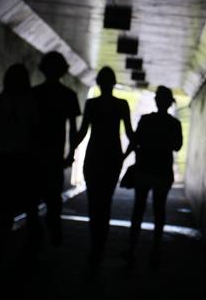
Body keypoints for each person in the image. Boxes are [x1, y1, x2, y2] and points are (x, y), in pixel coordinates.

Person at [0, 63, 39, 270]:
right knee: (9, 205)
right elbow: (35, 135)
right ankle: (1, 245)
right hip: (19, 161)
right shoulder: (31, 104)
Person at [70, 66, 134, 264]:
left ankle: (95, 242)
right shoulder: (122, 105)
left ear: (98, 83)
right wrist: (126, 155)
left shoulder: (91, 105)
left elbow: (81, 134)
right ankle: (101, 241)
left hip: (94, 156)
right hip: (113, 157)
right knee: (105, 201)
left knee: (93, 201)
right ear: (114, 83)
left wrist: (69, 152)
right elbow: (131, 135)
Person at [122, 85, 183, 267]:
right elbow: (177, 146)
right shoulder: (174, 124)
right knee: (159, 210)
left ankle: (132, 248)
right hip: (163, 171)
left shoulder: (146, 120)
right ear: (169, 103)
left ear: (157, 101)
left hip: (144, 169)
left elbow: (135, 141)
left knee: (138, 209)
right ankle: (156, 250)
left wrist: (122, 158)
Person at [30, 51, 81, 248]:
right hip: (54, 156)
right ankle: (54, 234)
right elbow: (73, 130)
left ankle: (35, 236)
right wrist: (70, 156)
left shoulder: (34, 93)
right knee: (53, 200)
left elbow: (28, 125)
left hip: (35, 155)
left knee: (32, 199)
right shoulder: (69, 96)